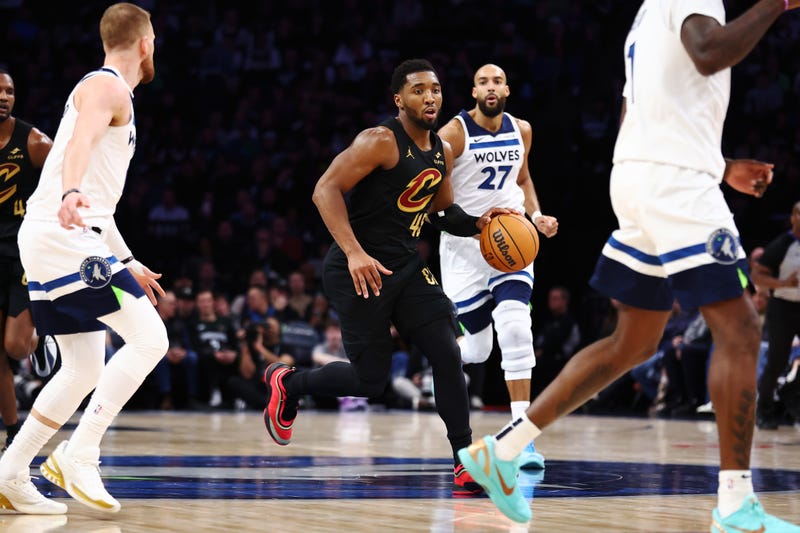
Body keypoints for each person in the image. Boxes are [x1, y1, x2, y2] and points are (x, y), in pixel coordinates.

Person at [457, 1, 800, 531]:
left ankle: (504, 448)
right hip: (675, 184)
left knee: (634, 342)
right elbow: (710, 52)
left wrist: (718, 164)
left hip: (640, 176)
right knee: (741, 328)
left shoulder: (648, 13)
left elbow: (636, 111)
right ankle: (736, 506)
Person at [262, 58, 514, 497]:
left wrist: (479, 223)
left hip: (406, 267)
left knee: (446, 353)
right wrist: (354, 252)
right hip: (357, 269)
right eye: (419, 90)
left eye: (435, 89)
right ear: (399, 100)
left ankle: (464, 461)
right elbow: (324, 190)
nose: (430, 97)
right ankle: (289, 382)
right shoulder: (380, 141)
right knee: (369, 382)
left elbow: (441, 213)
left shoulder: (443, 150)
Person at [0, 3, 168, 515]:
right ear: (145, 43)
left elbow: (100, 201)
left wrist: (128, 258)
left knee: (81, 367)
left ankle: (10, 473)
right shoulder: (107, 87)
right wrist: (72, 190)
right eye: (154, 40)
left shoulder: (111, 91)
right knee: (150, 339)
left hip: (67, 235)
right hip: (65, 237)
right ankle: (81, 451)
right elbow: (78, 144)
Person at [436, 64, 557, 470]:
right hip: (466, 249)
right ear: (473, 91)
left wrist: (537, 216)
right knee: (478, 348)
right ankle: (435, 354)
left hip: (512, 242)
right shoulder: (453, 134)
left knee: (517, 328)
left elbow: (523, 179)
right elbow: (438, 201)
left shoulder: (522, 129)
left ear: (507, 88)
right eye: (483, 82)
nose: (491, 87)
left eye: (497, 81)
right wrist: (474, 229)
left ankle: (521, 438)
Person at [0, 69, 53, 451]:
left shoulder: (34, 142)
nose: (4, 96)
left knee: (16, 347)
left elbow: (67, 189)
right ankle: (14, 431)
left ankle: (43, 335)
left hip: (22, 251)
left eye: (10, 91)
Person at [751, 200, 800, 430]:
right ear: (792, 218)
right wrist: (783, 283)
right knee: (776, 362)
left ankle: (791, 389)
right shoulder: (782, 244)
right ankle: (764, 411)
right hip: (782, 307)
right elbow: (757, 277)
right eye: (798, 214)